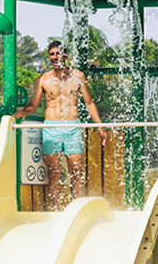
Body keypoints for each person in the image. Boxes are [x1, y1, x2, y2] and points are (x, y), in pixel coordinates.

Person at [15, 40, 106, 207]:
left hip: (73, 127)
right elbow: (33, 106)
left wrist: (100, 126)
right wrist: (22, 113)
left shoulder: (78, 76)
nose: (55, 57)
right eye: (52, 54)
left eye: (58, 53)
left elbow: (89, 103)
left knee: (76, 171)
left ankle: (78, 207)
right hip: (51, 127)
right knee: (54, 172)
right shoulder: (43, 79)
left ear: (66, 55)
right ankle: (55, 209)